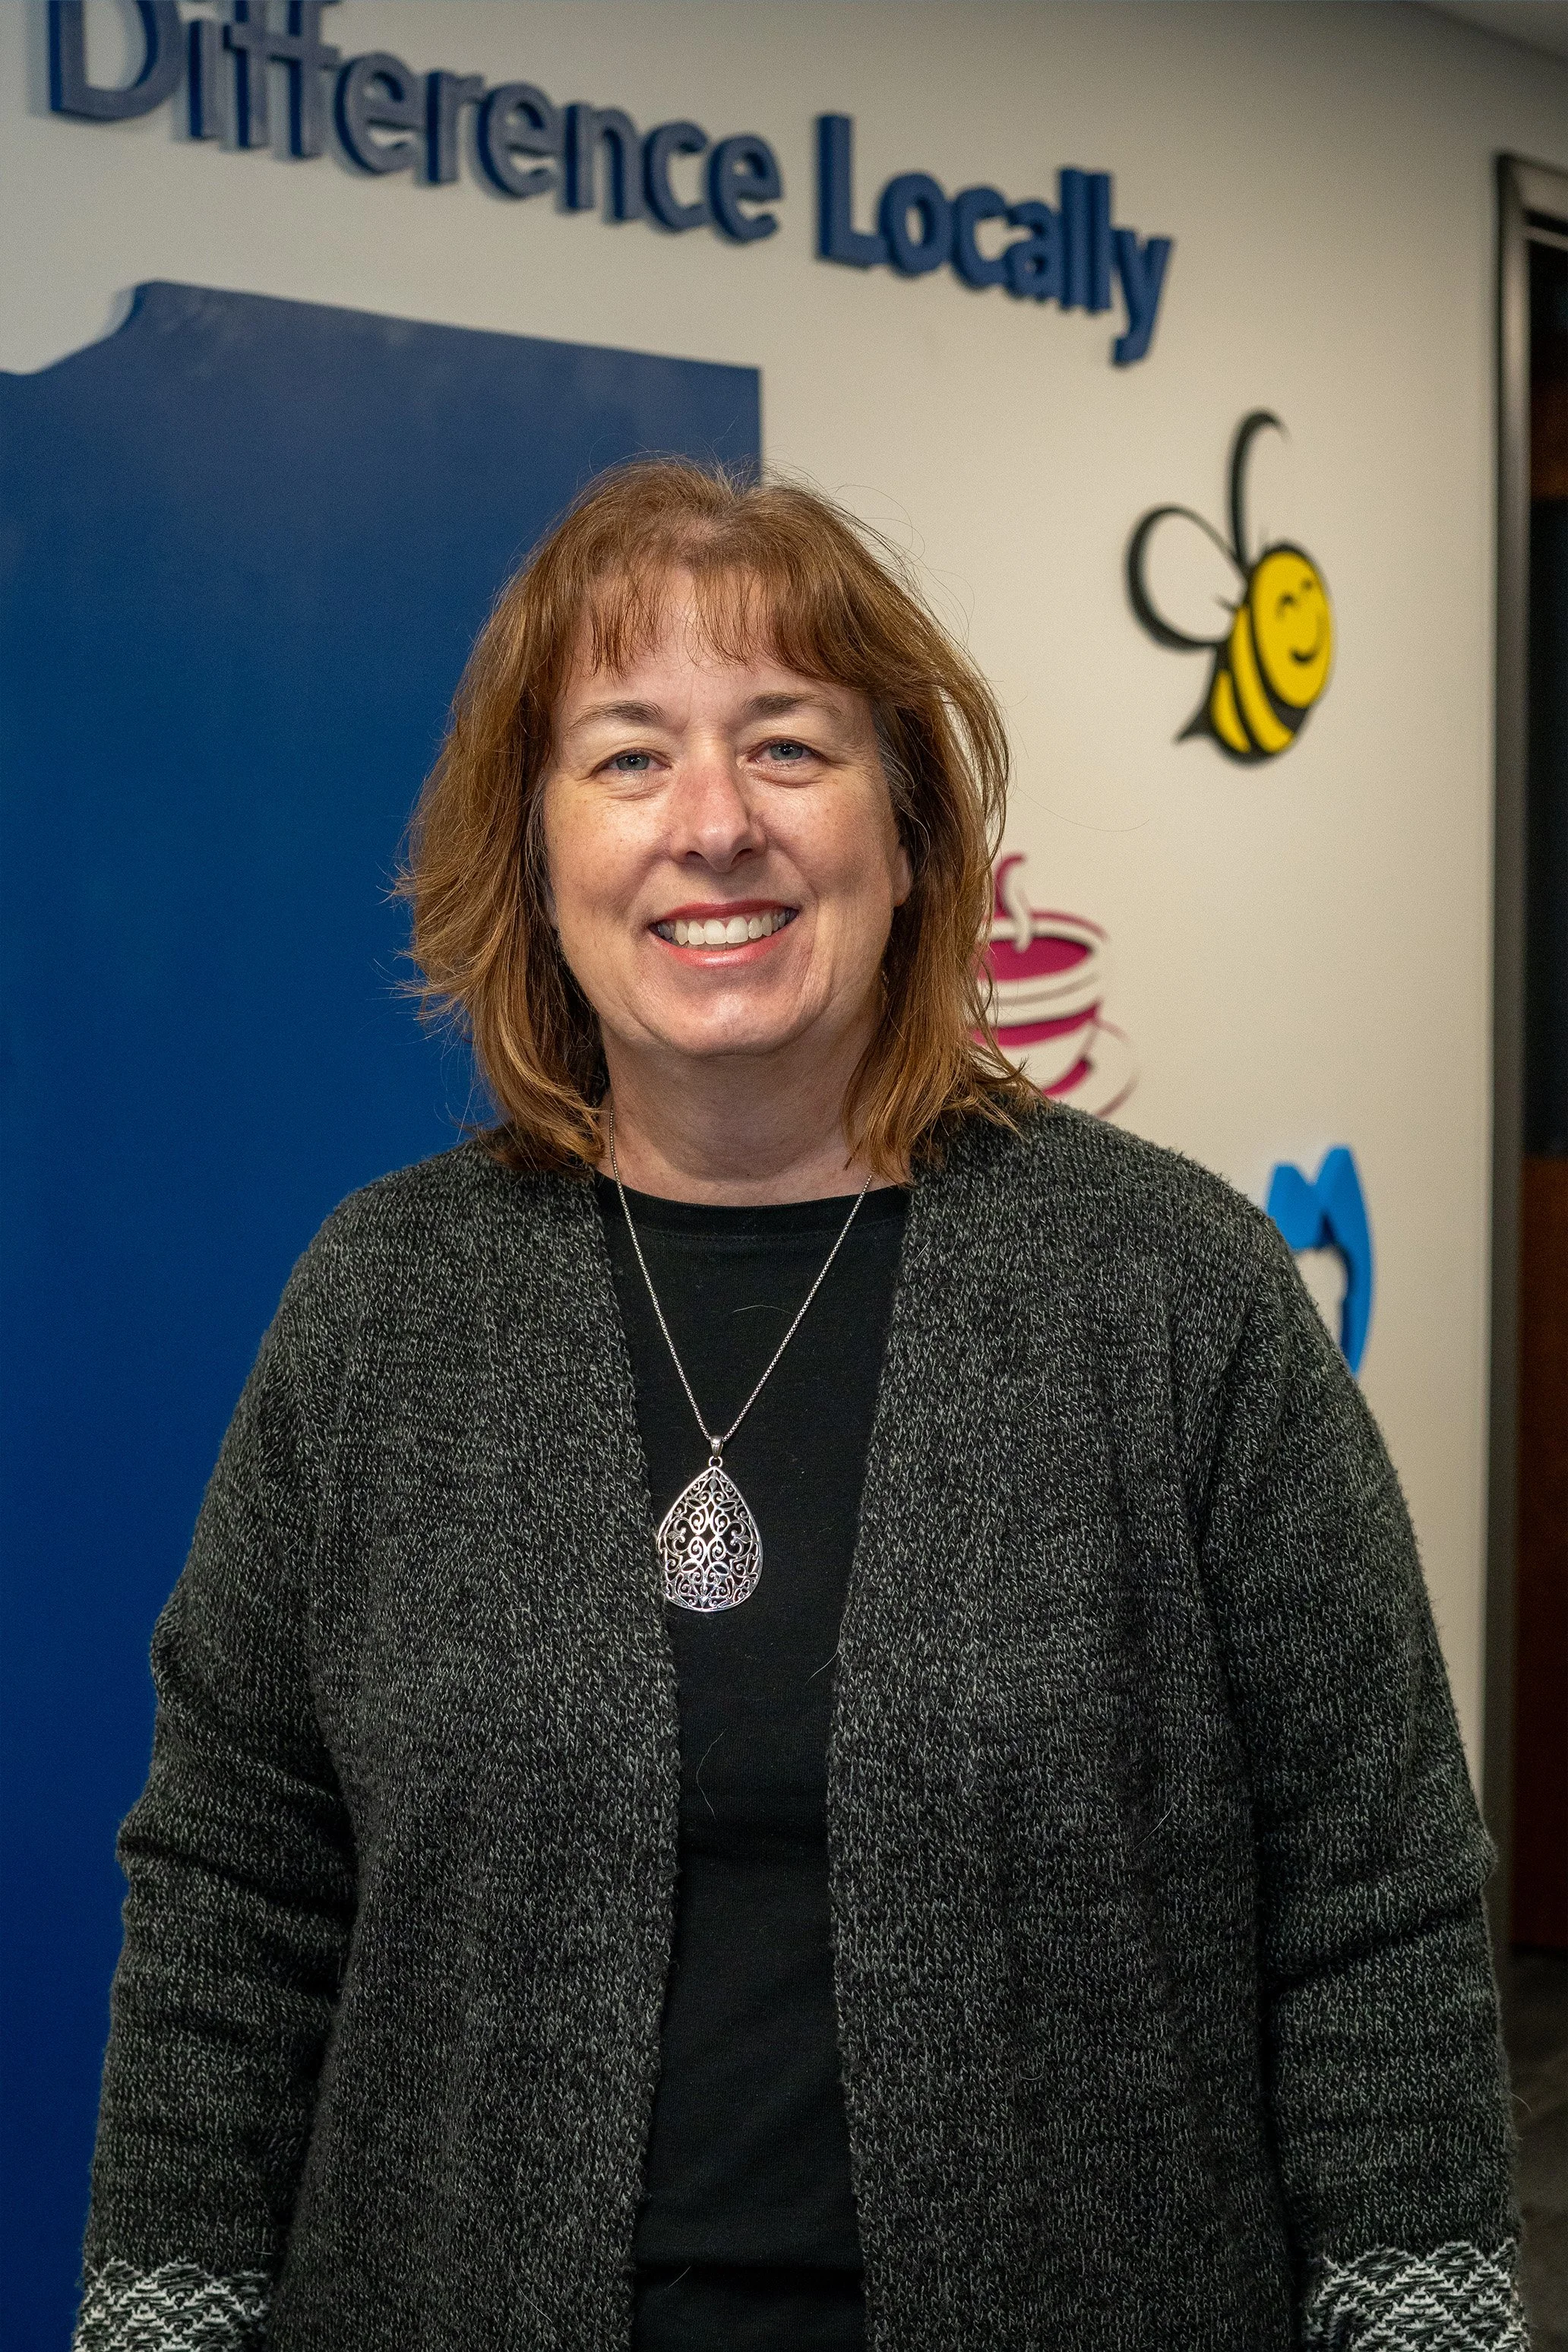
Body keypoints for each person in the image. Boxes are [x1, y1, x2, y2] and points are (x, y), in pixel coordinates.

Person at [74, 461, 1522, 2352]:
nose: (714, 825)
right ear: (534, 859)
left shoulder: (1173, 1289)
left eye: (787, 746)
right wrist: (164, 2315)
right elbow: (234, 1886)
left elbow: (1374, 1892)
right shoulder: (385, 1304)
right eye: (627, 757)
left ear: (908, 837)